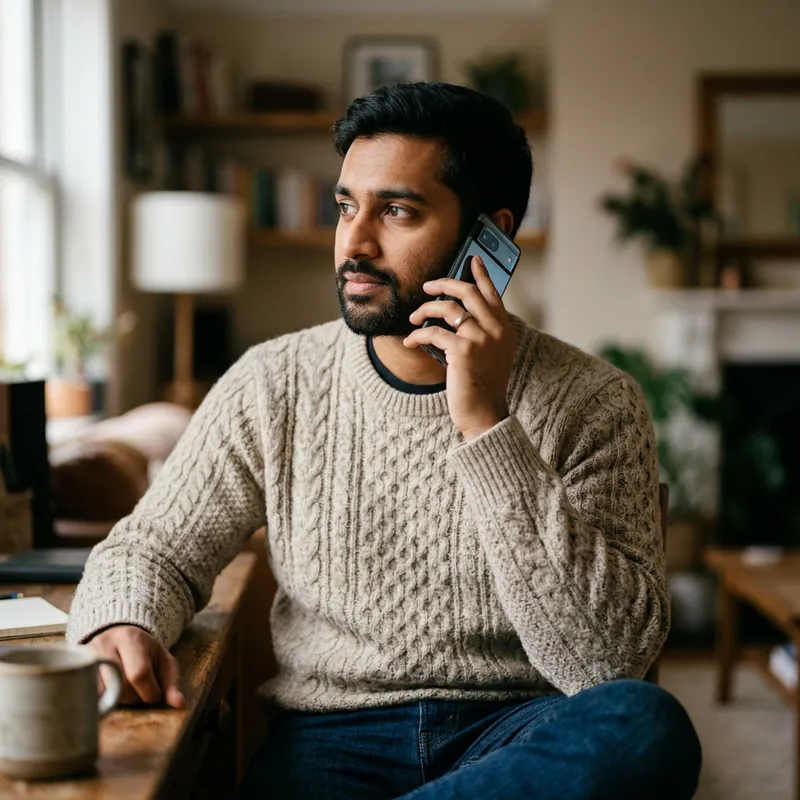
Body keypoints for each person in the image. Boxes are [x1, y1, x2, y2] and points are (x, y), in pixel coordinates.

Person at [67, 82, 701, 799]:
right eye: (346, 206)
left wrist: (488, 426)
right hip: (330, 740)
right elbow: (152, 548)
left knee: (646, 724)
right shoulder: (276, 381)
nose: (354, 243)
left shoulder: (595, 402)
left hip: (518, 738)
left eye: (397, 210)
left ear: (486, 238)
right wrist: (122, 619)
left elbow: (607, 663)